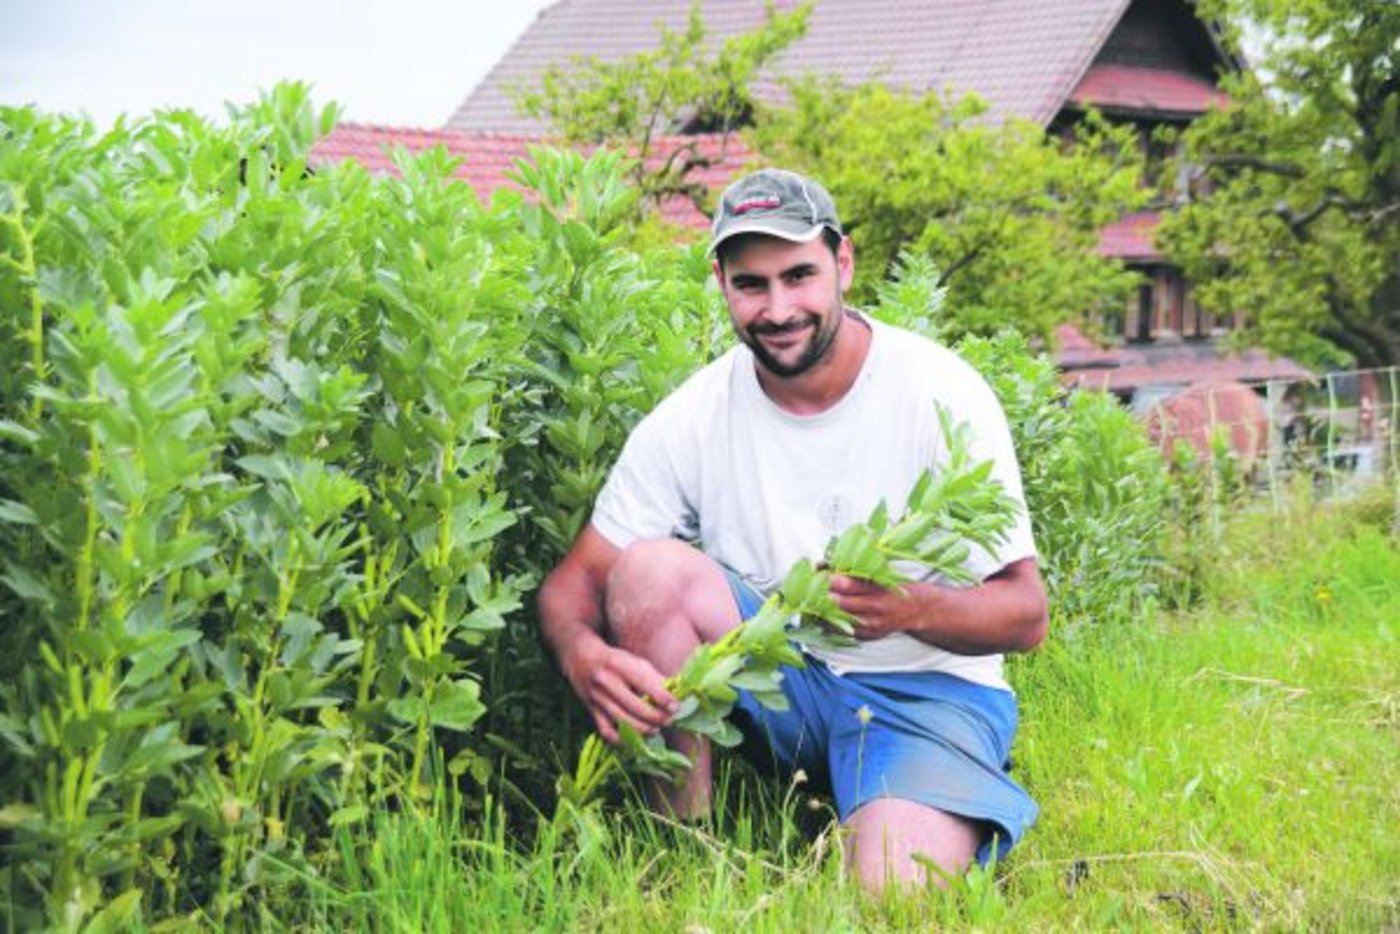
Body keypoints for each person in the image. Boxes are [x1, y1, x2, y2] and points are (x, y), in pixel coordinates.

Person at [537, 168, 1048, 890]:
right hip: (785, 685)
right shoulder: (696, 415)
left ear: (842, 263)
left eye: (799, 275)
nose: (778, 308)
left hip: (926, 692)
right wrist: (581, 654)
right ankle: (680, 851)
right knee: (649, 570)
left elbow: (1027, 614)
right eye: (751, 284)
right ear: (720, 282)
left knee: (886, 898)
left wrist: (911, 608)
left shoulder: (940, 391)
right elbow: (574, 582)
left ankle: (906, 793)